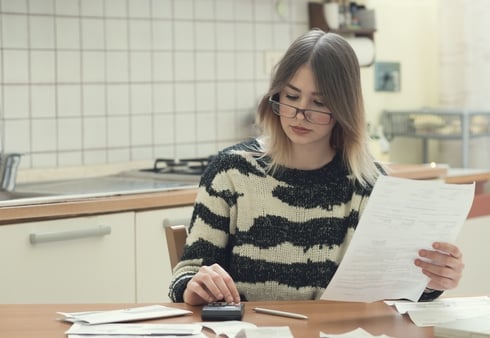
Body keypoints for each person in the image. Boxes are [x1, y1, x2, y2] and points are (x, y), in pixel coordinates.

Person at [168, 29, 464, 305]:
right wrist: (194, 285)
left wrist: (431, 281)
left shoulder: (368, 184)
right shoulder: (231, 172)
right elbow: (185, 275)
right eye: (291, 97)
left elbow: (395, 291)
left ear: (343, 109)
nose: (299, 114)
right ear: (276, 95)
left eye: (319, 103)